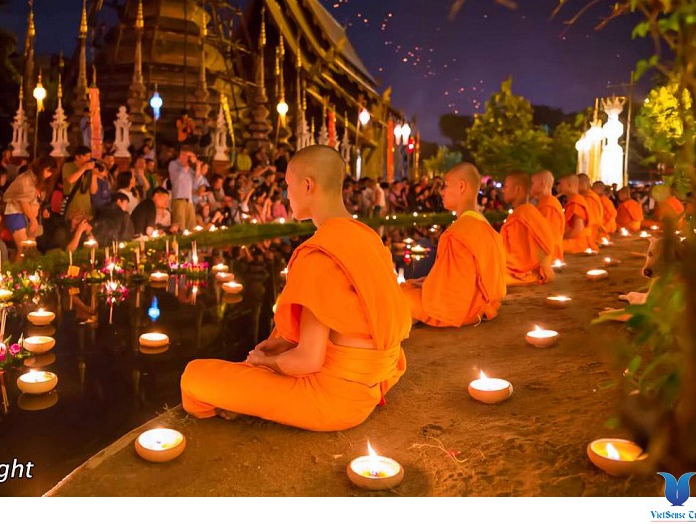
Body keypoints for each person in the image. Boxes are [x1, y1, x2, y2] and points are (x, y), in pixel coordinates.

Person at [181, 145, 412, 431]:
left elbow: (308, 361)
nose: (286, 195)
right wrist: (282, 346)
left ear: (307, 185)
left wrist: (267, 362)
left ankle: (240, 404)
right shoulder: (368, 238)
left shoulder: (320, 254)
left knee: (194, 376)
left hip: (332, 401)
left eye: (288, 186)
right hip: (372, 384)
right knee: (270, 351)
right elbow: (347, 323)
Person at [400, 163, 506, 327]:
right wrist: (429, 281)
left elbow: (451, 295)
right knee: (412, 286)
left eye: (446, 186)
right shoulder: (483, 223)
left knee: (400, 295)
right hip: (486, 303)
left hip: (465, 310)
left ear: (461, 187)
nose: (442, 192)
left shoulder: (459, 232)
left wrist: (429, 286)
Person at [500, 171, 556, 286]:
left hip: (526, 272)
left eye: (505, 186)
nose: (503, 190)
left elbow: (517, 260)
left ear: (518, 189)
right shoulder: (530, 212)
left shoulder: (521, 216)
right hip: (533, 267)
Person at [2, 156, 57, 248]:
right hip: (16, 213)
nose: (49, 174)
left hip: (30, 216)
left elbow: (37, 200)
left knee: (30, 249)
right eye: (48, 171)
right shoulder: (26, 179)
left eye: (51, 172)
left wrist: (41, 211)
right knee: (24, 248)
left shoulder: (41, 181)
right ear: (41, 167)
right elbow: (23, 202)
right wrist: (33, 220)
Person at [531, 170, 564, 262]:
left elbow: (547, 236)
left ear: (542, 184)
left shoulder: (549, 205)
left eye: (532, 183)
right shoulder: (543, 203)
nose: (530, 186)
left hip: (549, 254)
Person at [558, 174, 593, 254]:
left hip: (579, 243)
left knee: (552, 246)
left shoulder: (576, 201)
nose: (558, 187)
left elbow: (578, 229)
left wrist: (564, 238)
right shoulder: (574, 200)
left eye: (561, 184)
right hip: (576, 240)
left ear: (569, 185)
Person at [61, 146, 98, 220]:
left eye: (89, 157)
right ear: (77, 157)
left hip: (86, 206)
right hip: (73, 205)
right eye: (86, 156)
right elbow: (70, 180)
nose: (88, 159)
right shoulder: (68, 166)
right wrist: (84, 168)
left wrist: (94, 175)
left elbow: (93, 191)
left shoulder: (89, 170)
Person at [168, 145, 199, 230]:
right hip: (179, 200)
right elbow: (177, 178)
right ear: (182, 154)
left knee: (192, 227)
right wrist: (186, 165)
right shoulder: (173, 164)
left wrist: (198, 167)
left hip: (189, 201)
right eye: (189, 156)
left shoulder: (189, 168)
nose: (190, 159)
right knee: (180, 227)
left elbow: (195, 182)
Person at [579, 173, 604, 248]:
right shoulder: (586, 196)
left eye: (577, 184)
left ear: (584, 184)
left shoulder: (589, 198)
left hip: (588, 237)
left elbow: (591, 221)